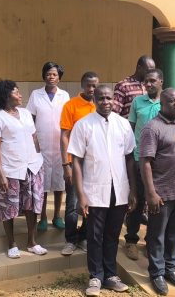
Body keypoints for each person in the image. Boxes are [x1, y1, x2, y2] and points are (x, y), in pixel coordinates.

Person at [68, 85, 137, 296]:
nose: (105, 101)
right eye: (101, 98)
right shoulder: (83, 125)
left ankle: (110, 275)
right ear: (94, 100)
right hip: (95, 191)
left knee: (113, 235)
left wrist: (133, 189)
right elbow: (76, 161)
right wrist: (81, 194)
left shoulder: (123, 124)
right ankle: (95, 277)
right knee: (95, 235)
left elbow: (129, 158)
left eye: (108, 98)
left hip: (119, 190)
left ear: (114, 100)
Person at [0, 80, 47, 259]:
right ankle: (11, 243)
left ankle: (32, 242)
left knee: (32, 205)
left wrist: (39, 157)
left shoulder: (26, 113)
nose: (20, 95)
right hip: (10, 168)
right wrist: (0, 173)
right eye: (16, 92)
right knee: (8, 206)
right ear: (6, 96)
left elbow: (34, 137)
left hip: (32, 167)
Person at [140, 88, 175, 295]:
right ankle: (157, 273)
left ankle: (171, 269)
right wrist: (150, 193)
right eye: (172, 101)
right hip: (161, 193)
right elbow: (145, 163)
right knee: (157, 235)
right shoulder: (152, 128)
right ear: (162, 104)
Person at [124, 68, 163, 260]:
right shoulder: (137, 102)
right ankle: (131, 240)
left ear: (160, 82)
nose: (148, 84)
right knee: (137, 202)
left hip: (160, 164)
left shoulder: (168, 102)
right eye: (146, 81)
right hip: (140, 159)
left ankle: (150, 241)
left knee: (156, 204)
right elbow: (130, 129)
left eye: (152, 81)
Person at [59, 71, 99, 256]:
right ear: (82, 85)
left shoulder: (101, 105)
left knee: (91, 201)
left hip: (94, 163)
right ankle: (70, 240)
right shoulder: (71, 105)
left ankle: (83, 236)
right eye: (89, 85)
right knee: (73, 202)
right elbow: (64, 135)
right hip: (75, 161)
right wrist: (66, 164)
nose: (92, 89)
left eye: (95, 85)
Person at [27, 62, 70, 231]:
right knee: (42, 184)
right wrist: (33, 142)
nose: (51, 77)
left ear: (59, 77)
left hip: (60, 146)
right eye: (48, 74)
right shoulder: (36, 95)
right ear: (43, 76)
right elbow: (30, 119)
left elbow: (67, 120)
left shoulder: (64, 95)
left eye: (54, 74)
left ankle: (57, 216)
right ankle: (42, 217)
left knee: (59, 183)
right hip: (42, 146)